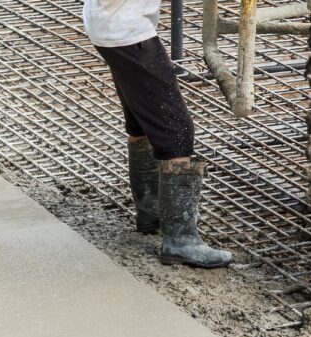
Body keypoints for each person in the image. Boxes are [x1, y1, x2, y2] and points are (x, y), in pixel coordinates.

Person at [83, 0, 232, 269]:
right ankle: (180, 240)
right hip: (127, 31)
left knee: (142, 122)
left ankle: (151, 212)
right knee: (176, 132)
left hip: (110, 25)